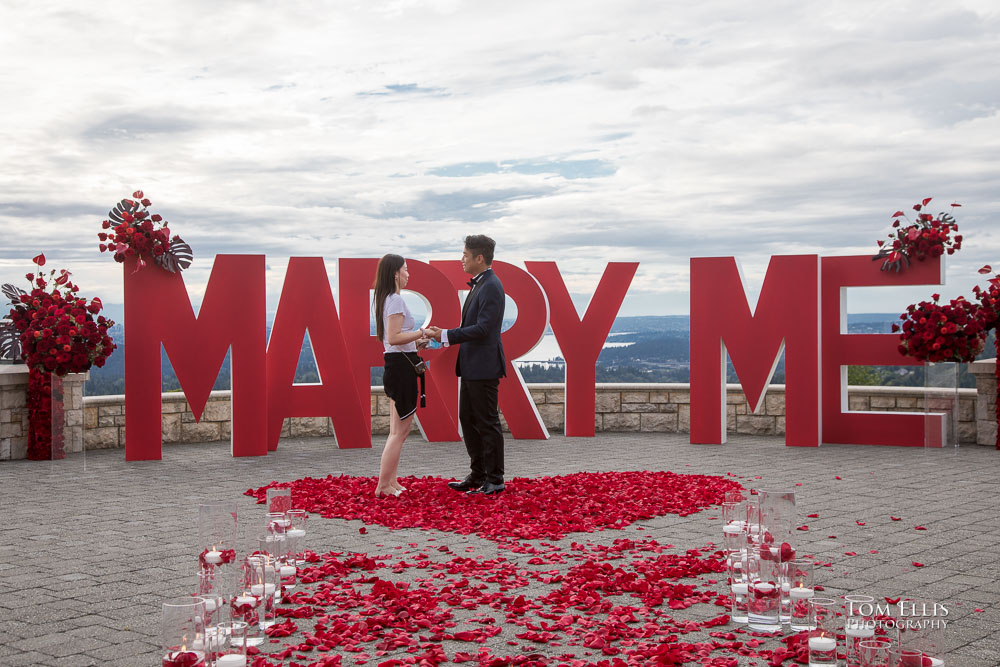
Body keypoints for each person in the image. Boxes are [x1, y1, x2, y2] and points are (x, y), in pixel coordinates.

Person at [426, 235, 506, 495]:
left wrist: (446, 335)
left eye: (465, 255)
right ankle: (478, 474)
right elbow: (473, 327)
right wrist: (444, 336)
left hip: (483, 366)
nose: (461, 259)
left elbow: (483, 328)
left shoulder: (491, 286)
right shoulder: (480, 285)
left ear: (479, 258)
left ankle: (495, 479)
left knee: (487, 421)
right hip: (473, 366)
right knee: (468, 419)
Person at [373, 254, 428, 498]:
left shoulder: (388, 299)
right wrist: (421, 333)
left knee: (398, 430)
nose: (408, 274)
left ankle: (391, 482)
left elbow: (394, 340)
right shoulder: (395, 300)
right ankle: (384, 485)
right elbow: (394, 338)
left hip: (398, 364)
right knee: (400, 432)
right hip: (400, 368)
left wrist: (417, 341)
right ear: (395, 273)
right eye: (406, 269)